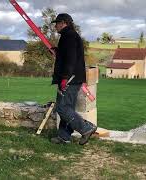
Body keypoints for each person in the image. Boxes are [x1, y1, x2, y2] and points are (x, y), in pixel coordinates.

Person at [50, 13, 97, 145]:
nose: (55, 26)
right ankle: (64, 137)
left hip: (70, 78)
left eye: (57, 23)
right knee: (68, 108)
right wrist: (57, 51)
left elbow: (71, 59)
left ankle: (86, 128)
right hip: (73, 77)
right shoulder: (70, 35)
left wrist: (65, 78)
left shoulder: (68, 36)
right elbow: (68, 54)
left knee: (62, 108)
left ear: (64, 23)